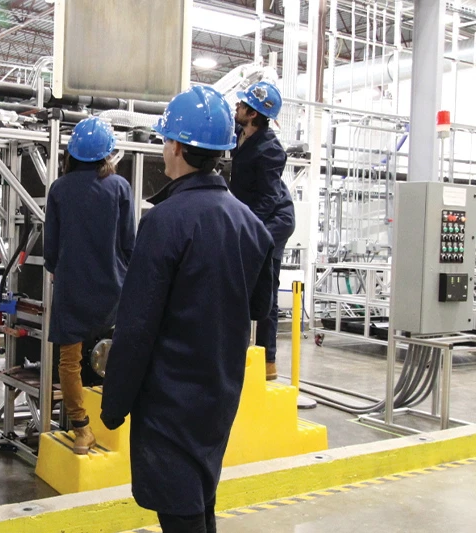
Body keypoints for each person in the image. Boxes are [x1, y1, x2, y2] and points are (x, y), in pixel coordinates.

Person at [100, 86, 274, 533]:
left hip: (169, 400)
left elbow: (136, 327)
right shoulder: (250, 224)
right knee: (200, 498)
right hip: (219, 393)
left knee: (181, 514)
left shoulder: (163, 222)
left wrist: (114, 404)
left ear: (174, 145)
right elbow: (259, 307)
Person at [43, 116, 135, 455]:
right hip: (115, 286)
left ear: (72, 153)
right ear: (107, 155)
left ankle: (81, 429)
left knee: (69, 362)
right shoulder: (120, 188)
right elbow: (130, 243)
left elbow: (50, 248)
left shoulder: (60, 189)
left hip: (71, 287)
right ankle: (117, 419)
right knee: (122, 355)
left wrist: (58, 268)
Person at [229, 81, 295, 380]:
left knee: (265, 285)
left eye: (242, 105)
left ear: (253, 114)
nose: (237, 108)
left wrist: (247, 227)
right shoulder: (239, 134)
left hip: (273, 220)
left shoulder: (270, 150)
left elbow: (269, 198)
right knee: (242, 282)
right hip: (253, 214)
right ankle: (238, 351)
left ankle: (268, 359)